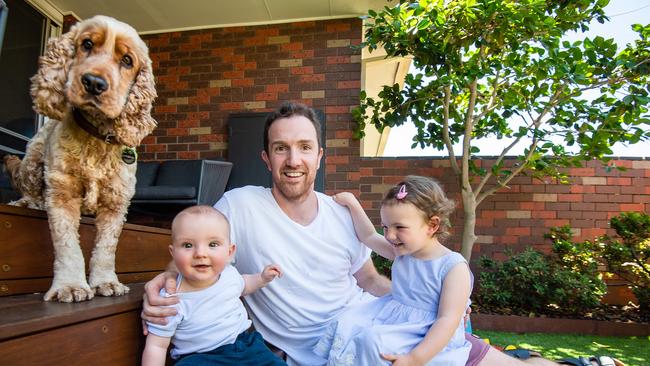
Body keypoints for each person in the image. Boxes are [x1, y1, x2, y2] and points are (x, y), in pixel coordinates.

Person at [141, 101, 594, 366]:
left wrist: (429, 303)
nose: (293, 160)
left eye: (303, 148)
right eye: (281, 148)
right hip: (328, 350)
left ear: (319, 156)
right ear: (266, 158)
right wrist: (162, 282)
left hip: (376, 325)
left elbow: (371, 281)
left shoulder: (341, 215)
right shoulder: (239, 206)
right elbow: (193, 248)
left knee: (482, 357)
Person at [314, 176, 472, 365]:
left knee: (374, 340)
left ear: (432, 225)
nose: (390, 235)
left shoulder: (453, 267)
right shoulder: (403, 252)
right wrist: (353, 204)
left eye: (400, 227)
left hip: (427, 333)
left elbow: (447, 320)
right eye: (386, 227)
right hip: (395, 318)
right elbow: (369, 236)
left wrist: (415, 358)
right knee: (348, 322)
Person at [141, 205, 286, 366]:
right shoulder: (169, 299)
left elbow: (245, 284)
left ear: (229, 252)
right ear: (173, 252)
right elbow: (156, 346)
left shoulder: (229, 274)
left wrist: (262, 278)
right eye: (188, 245)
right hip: (201, 357)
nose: (200, 253)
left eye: (213, 244)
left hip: (245, 346)